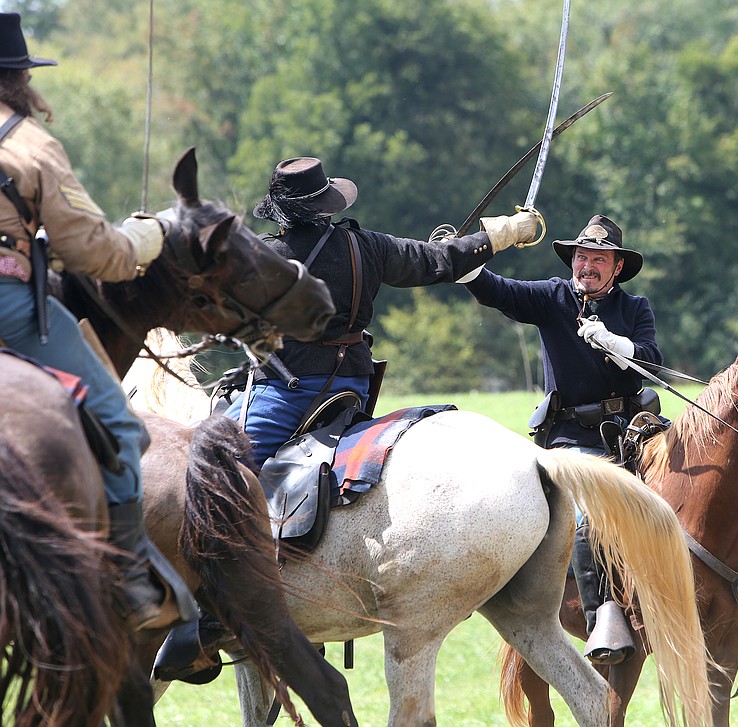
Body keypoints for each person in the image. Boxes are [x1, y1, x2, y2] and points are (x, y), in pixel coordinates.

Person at [0, 12, 194, 631]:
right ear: (20, 78)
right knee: (122, 426)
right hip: (9, 308)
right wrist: (146, 236)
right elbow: (96, 255)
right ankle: (130, 578)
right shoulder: (30, 146)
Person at [224, 156, 537, 467]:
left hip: (290, 391)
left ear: (281, 213)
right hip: (354, 385)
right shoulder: (367, 246)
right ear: (328, 205)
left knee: (216, 461)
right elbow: (437, 258)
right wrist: (502, 233)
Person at [462, 214, 662, 665]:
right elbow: (496, 290)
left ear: (617, 267)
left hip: (635, 432)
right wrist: (464, 255)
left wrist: (614, 343)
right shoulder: (551, 297)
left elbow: (651, 360)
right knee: (589, 517)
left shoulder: (635, 308)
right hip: (572, 439)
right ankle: (602, 620)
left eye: (599, 259)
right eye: (582, 257)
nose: (587, 266)